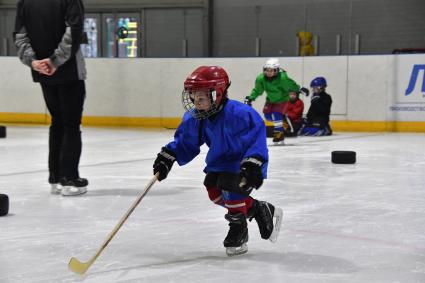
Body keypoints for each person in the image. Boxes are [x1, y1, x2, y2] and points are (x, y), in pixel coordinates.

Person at [153, 66, 283, 256]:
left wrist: (253, 163)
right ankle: (257, 208)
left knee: (231, 187)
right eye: (193, 98)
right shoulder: (196, 118)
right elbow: (186, 142)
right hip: (220, 162)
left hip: (244, 163)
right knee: (214, 191)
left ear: (218, 94)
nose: (196, 103)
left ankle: (238, 229)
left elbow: (255, 140)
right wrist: (168, 157)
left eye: (201, 99)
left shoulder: (241, 114)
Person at [14, 0, 88, 196]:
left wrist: (34, 62)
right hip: (68, 72)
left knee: (57, 122)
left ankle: (55, 177)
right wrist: (54, 61)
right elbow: (73, 30)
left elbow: (20, 36)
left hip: (43, 72)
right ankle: (69, 178)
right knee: (71, 125)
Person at [244, 58, 302, 144]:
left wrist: (299, 89)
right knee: (267, 116)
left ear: (277, 70)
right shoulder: (261, 79)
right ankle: (283, 120)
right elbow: (258, 90)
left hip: (283, 99)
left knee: (276, 114)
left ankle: (279, 134)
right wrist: (251, 98)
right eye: (267, 70)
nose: (269, 72)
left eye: (272, 70)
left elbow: (291, 85)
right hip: (270, 100)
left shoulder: (282, 78)